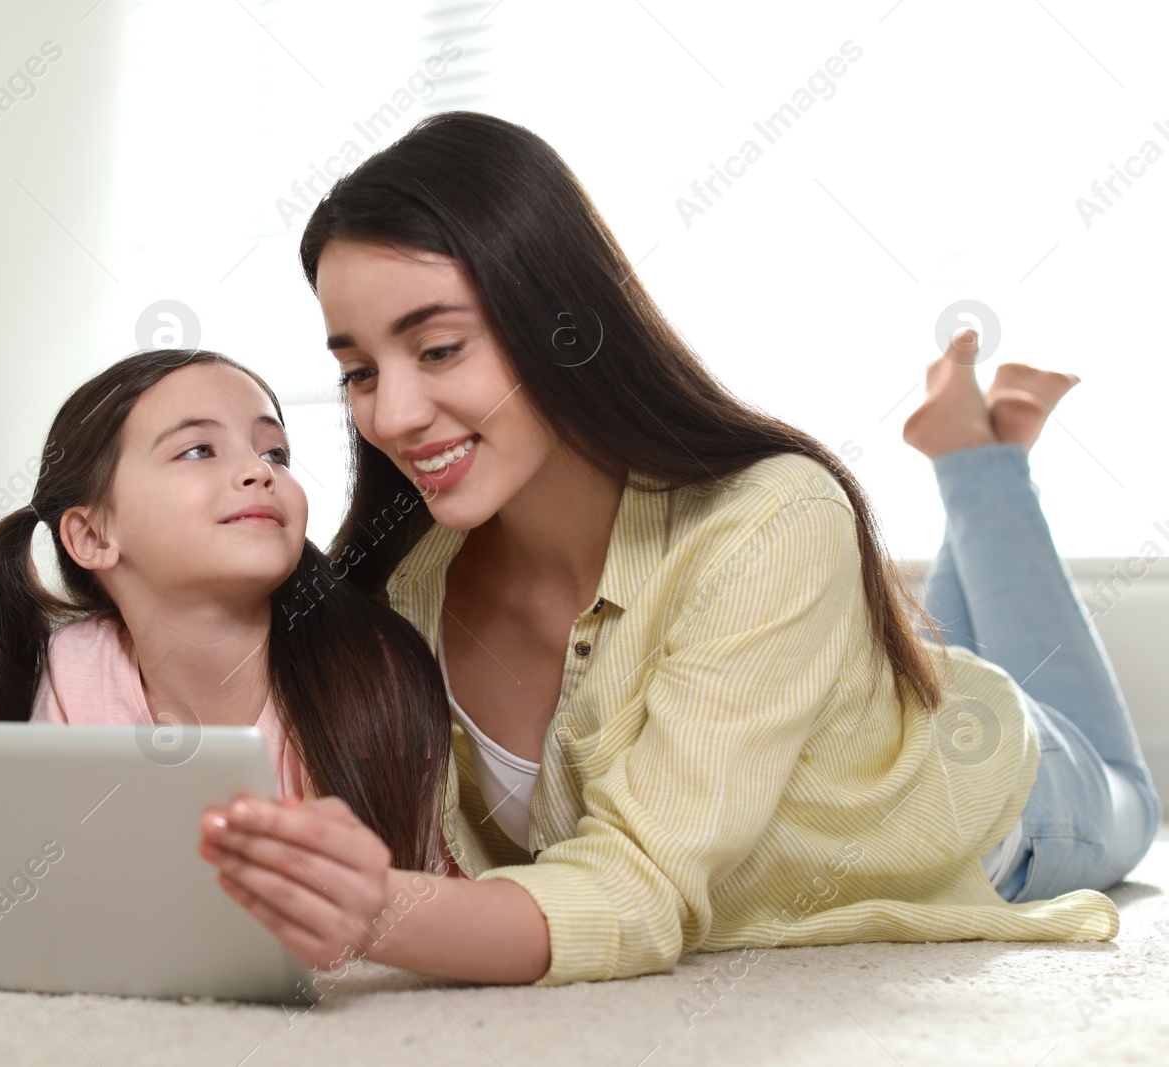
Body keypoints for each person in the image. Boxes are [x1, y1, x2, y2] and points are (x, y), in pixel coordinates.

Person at [196, 111, 1162, 988]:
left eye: (440, 348)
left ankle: (978, 462)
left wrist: (384, 911)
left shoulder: (777, 518)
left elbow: (639, 891)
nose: (393, 415)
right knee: (941, 660)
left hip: (989, 793)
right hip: (856, 694)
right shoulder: (404, 581)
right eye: (358, 371)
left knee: (1132, 794)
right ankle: (978, 443)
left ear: (560, 323)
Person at [0, 349, 452, 985]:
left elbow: (424, 901)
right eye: (199, 449)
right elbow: (14, 886)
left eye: (274, 452)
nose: (258, 472)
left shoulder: (367, 664)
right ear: (92, 535)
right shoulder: (78, 663)